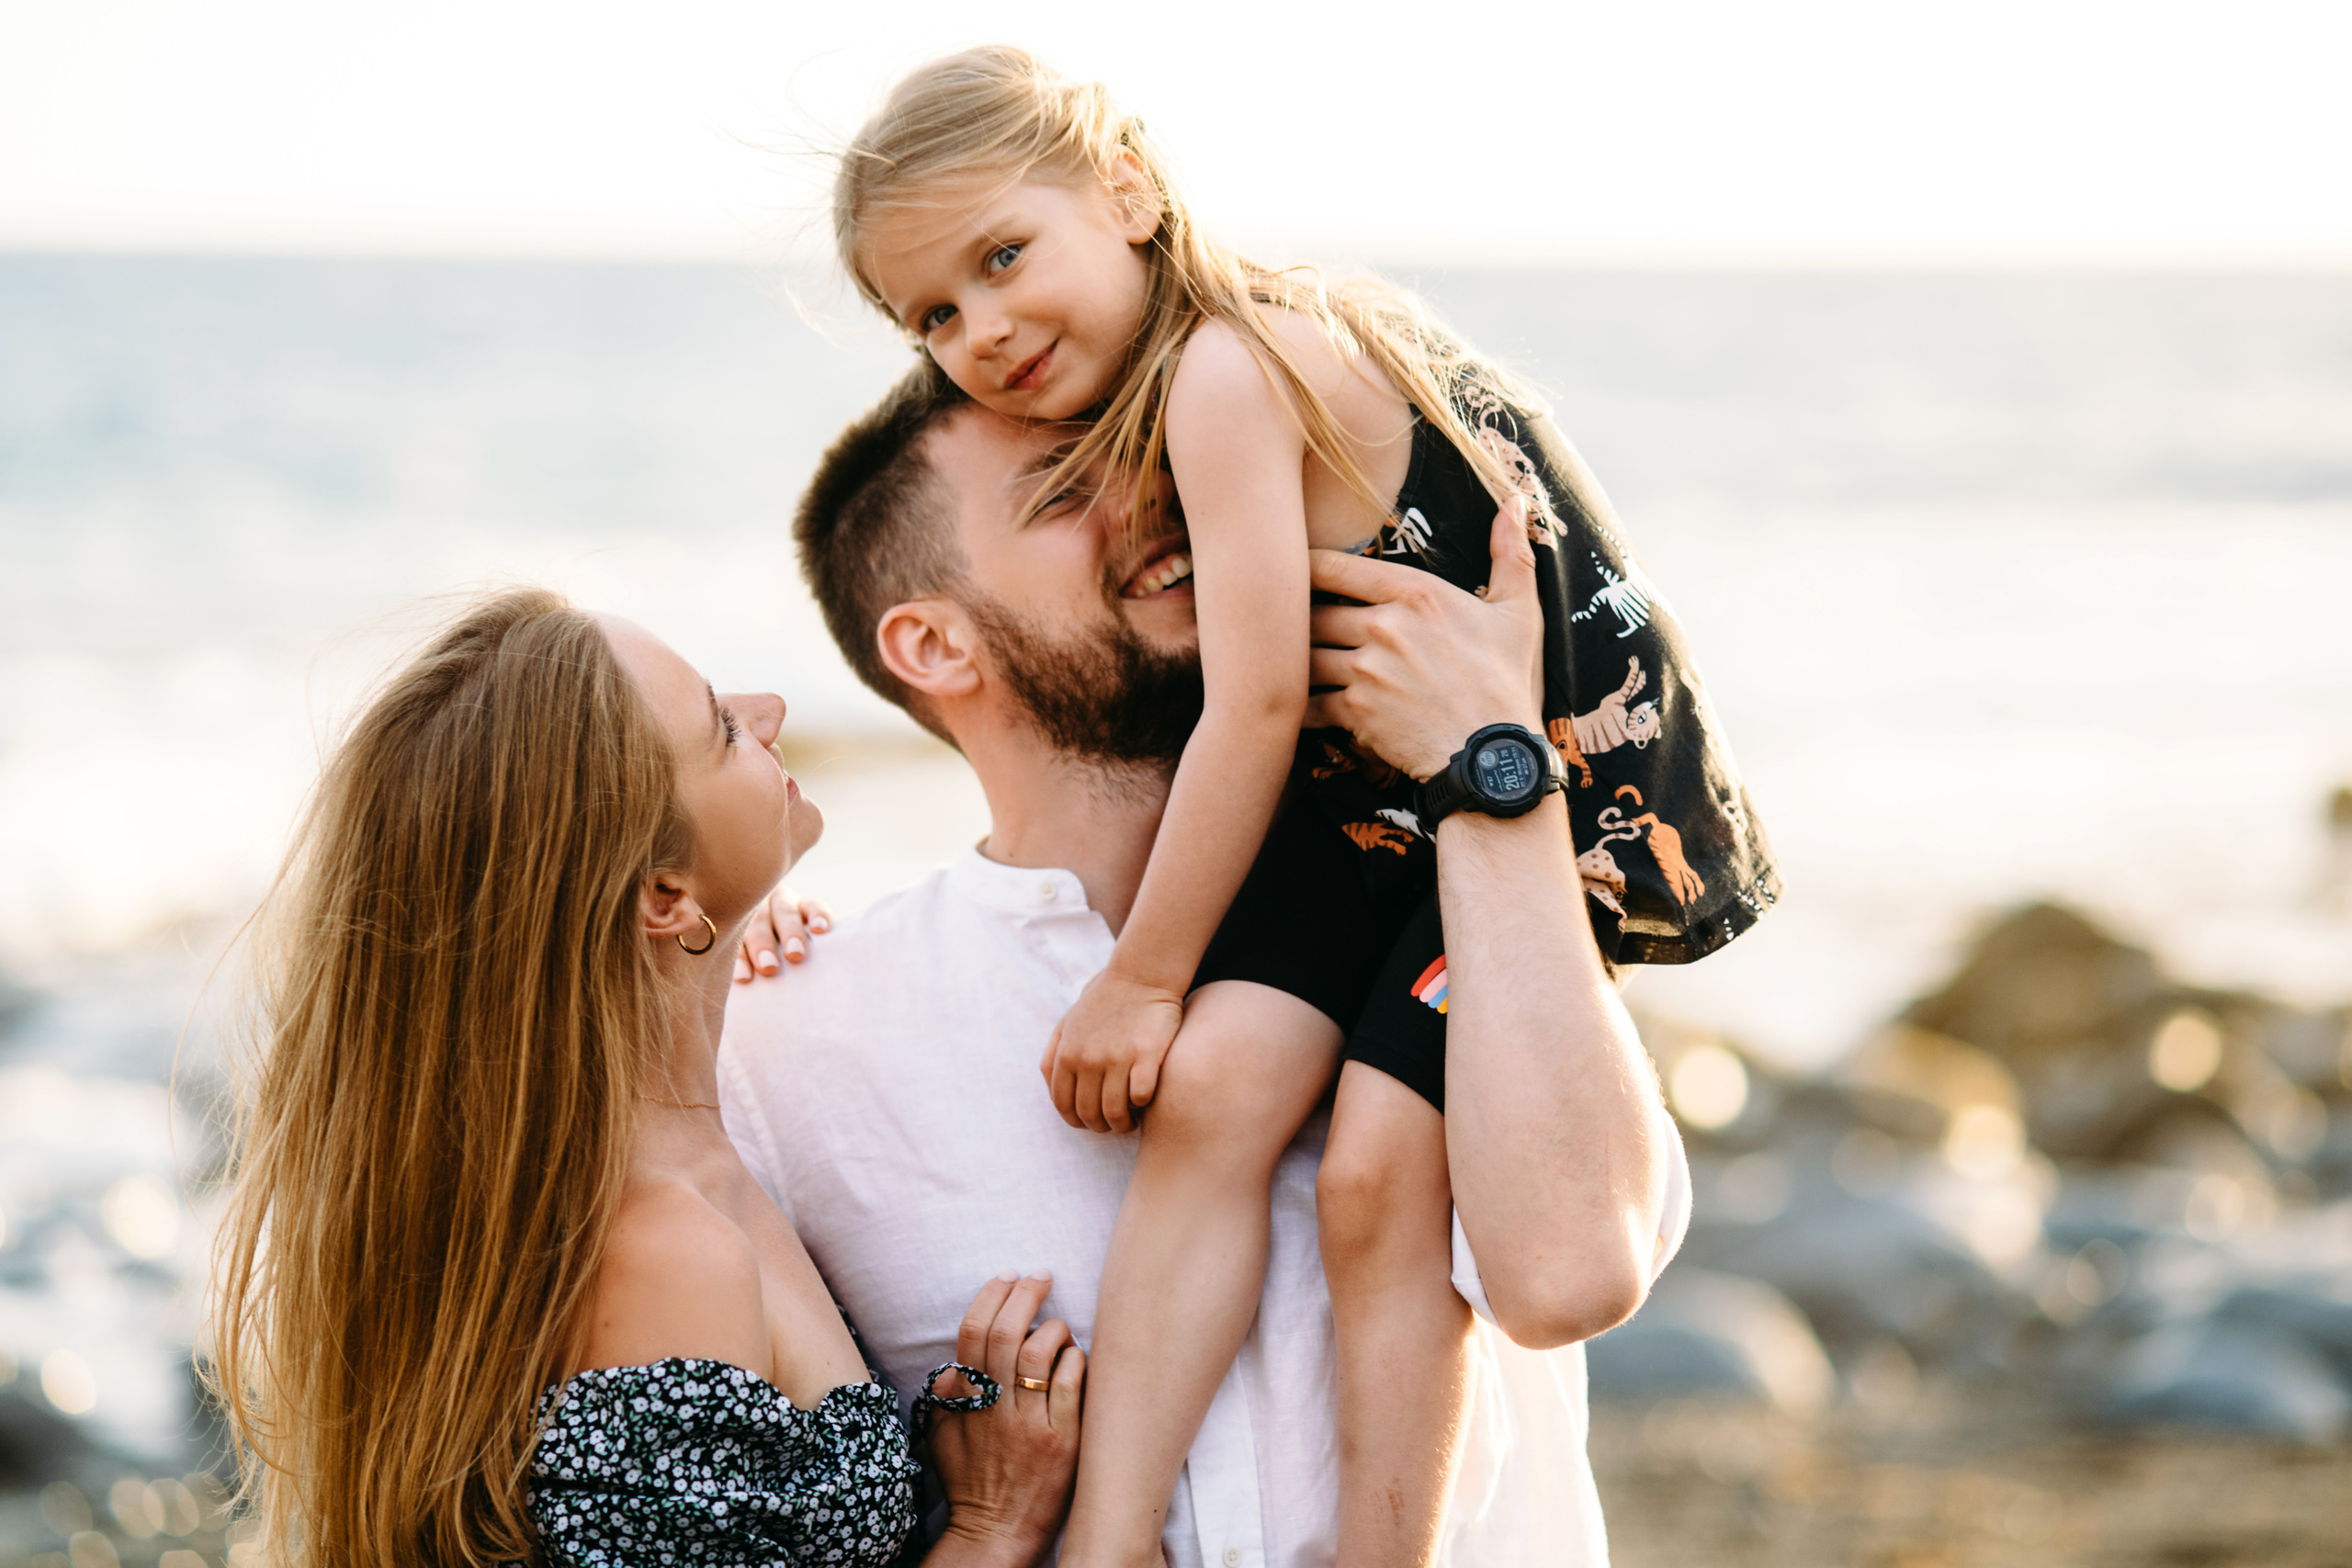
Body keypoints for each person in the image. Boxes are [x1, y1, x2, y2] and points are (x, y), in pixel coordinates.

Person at [821, 47, 1779, 1567]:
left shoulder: (1230, 364)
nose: (981, 329)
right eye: (932, 313)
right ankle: (1113, 1537)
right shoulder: (1237, 353)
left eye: (1003, 257)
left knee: (1376, 1167)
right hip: (1374, 802)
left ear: (1126, 190)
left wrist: (1141, 979)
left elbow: (1261, 700)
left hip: (1526, 797)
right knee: (1214, 1093)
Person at [719, 365, 1699, 1567]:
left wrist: (1490, 759)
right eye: (1066, 491)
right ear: (933, 641)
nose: (1162, 493)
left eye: (1153, 451)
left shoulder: (1466, 899)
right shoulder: (789, 1038)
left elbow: (1568, 1268)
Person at [205, 588, 1082, 1567]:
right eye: (721, 728)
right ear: (661, 898)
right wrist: (988, 1529)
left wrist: (737, 926)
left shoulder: (663, 1157)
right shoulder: (665, 1254)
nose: (770, 712)